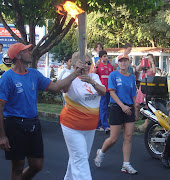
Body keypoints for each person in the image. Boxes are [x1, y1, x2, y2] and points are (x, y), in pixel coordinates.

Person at [0, 43, 83, 180]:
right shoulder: (7, 78)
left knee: (37, 165)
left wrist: (75, 73)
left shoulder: (34, 74)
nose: (30, 52)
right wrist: (2, 136)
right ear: (19, 56)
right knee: (18, 168)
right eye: (27, 51)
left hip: (33, 124)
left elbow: (56, 87)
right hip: (14, 125)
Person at [60, 51, 106, 180]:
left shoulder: (94, 77)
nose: (86, 65)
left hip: (89, 127)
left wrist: (91, 81)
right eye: (83, 63)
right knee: (80, 159)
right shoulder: (69, 77)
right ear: (75, 64)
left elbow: (103, 92)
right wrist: (75, 74)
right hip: (72, 126)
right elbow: (64, 89)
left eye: (88, 63)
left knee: (80, 156)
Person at [94, 54, 138, 174]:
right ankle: (101, 152)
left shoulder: (132, 77)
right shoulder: (113, 75)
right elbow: (112, 92)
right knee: (113, 138)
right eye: (121, 61)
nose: (123, 63)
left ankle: (126, 164)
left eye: (125, 61)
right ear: (118, 63)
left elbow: (133, 95)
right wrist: (122, 106)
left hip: (128, 107)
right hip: (116, 107)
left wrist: (135, 109)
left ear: (129, 63)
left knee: (128, 136)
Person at [93, 50, 114, 133]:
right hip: (101, 89)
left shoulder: (110, 66)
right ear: (100, 58)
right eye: (104, 56)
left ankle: (97, 125)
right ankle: (105, 126)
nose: (106, 58)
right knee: (103, 107)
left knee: (104, 107)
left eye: (106, 56)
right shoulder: (99, 65)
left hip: (109, 89)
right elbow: (93, 74)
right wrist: (97, 66)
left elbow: (112, 76)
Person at [135, 54, 156, 132]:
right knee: (137, 104)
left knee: (147, 105)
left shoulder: (152, 67)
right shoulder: (144, 67)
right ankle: (136, 117)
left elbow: (154, 72)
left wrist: (152, 62)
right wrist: (143, 61)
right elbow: (137, 69)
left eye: (149, 58)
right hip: (142, 86)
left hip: (149, 87)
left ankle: (146, 122)